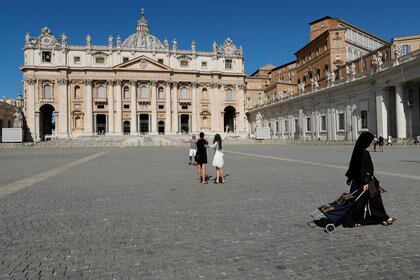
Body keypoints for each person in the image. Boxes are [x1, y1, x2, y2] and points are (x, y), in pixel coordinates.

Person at [343, 132, 396, 228]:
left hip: (358, 181)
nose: (372, 142)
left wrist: (351, 178)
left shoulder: (358, 150)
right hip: (365, 182)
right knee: (372, 200)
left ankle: (381, 218)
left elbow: (354, 167)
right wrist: (366, 182)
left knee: (362, 201)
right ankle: (381, 218)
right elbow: (365, 168)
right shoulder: (364, 152)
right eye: (371, 140)